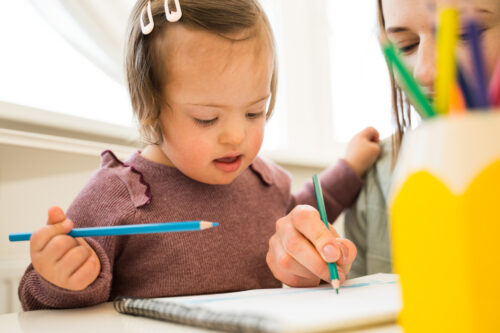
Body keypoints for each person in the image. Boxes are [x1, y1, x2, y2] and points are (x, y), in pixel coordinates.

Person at [19, 0, 381, 311]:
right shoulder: (117, 195)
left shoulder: (265, 180)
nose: (236, 136)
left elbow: (303, 220)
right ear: (150, 109)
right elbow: (35, 300)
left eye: (254, 112)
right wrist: (61, 279)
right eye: (207, 118)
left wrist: (349, 167)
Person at [266, 0, 500, 282]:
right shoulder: (377, 177)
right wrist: (308, 273)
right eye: (405, 45)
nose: (424, 72)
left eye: (461, 34)